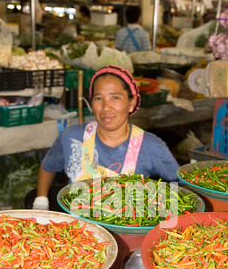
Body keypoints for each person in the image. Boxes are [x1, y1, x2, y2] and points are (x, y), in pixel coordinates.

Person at [32, 65, 179, 211]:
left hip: (125, 231)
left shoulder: (150, 145)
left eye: (115, 97)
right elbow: (48, 167)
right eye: (98, 98)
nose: (106, 107)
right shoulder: (72, 137)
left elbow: (181, 183)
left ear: (131, 103)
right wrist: (40, 202)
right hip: (75, 230)